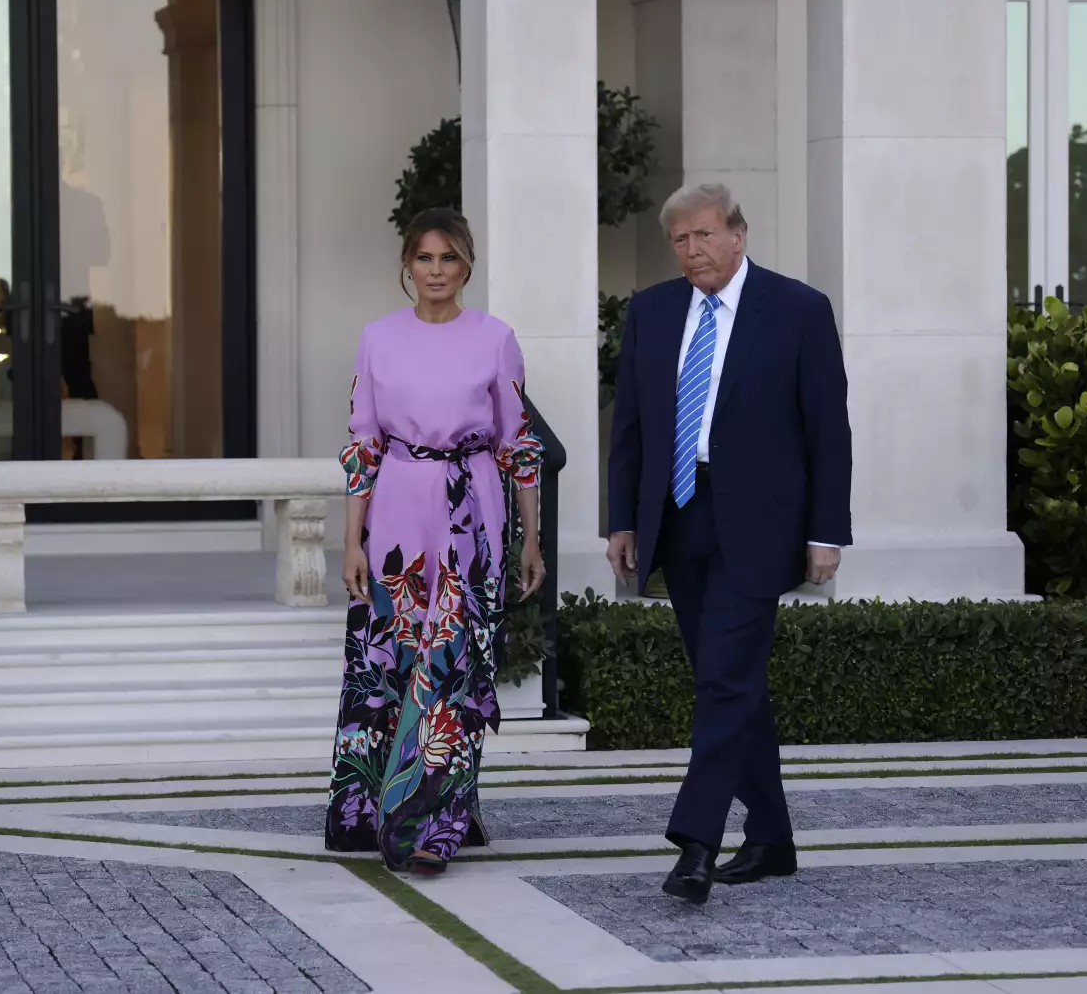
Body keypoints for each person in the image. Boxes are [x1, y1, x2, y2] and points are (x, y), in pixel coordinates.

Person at [606, 183, 852, 904]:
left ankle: (695, 843)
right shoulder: (650, 311)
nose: (692, 251)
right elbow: (630, 430)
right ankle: (772, 837)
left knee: (721, 680)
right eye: (679, 240)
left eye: (704, 236)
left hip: (761, 523)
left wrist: (826, 531)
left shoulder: (799, 309)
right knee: (733, 682)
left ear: (738, 234)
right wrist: (623, 520)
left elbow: (827, 430)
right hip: (678, 517)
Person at [325, 207, 547, 875]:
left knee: (453, 664)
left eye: (449, 258)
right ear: (406, 266)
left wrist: (529, 538)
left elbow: (518, 444)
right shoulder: (377, 338)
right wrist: (352, 540)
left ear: (467, 264)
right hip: (395, 508)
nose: (436, 272)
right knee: (388, 659)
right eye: (425, 259)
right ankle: (368, 807)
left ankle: (433, 823)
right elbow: (362, 442)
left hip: (469, 509)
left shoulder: (496, 338)